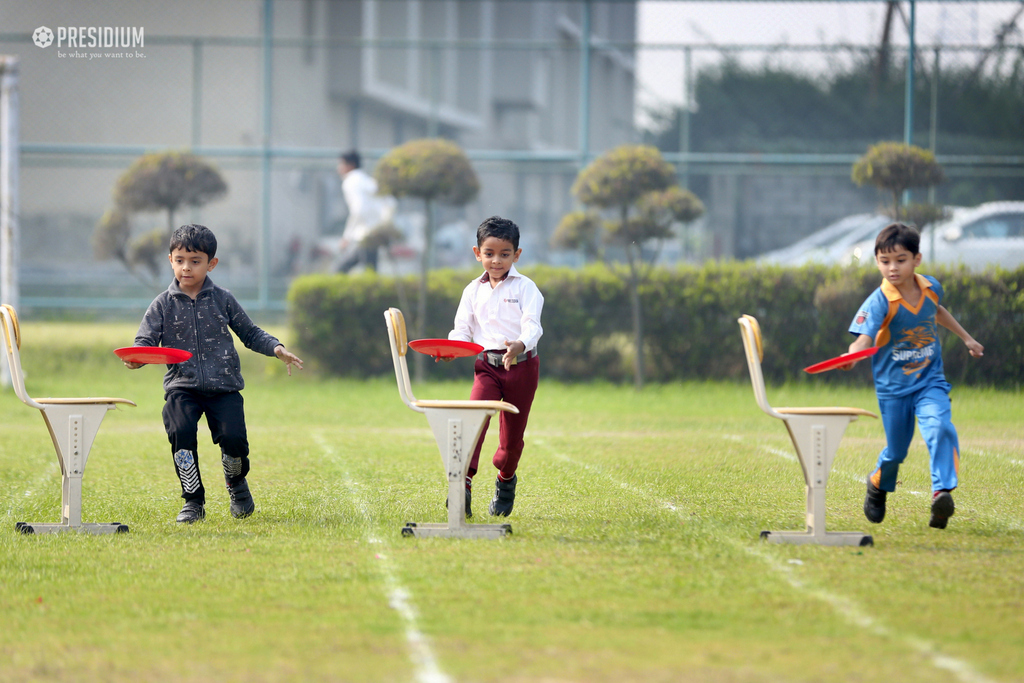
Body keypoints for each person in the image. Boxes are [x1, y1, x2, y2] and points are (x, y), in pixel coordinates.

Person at [124, 224, 304, 524]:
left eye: (195, 261)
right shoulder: (162, 305)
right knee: (181, 434)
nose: (186, 267)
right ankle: (193, 501)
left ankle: (236, 483)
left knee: (234, 442)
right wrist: (137, 358)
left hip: (225, 387)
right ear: (170, 260)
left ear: (211, 264)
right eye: (180, 260)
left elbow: (250, 333)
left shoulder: (223, 299)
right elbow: (144, 343)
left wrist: (276, 347)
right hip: (182, 387)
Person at [843, 222, 983, 529]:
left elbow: (937, 310)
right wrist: (852, 355)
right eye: (884, 261)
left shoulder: (931, 287)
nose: (892, 268)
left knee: (941, 428)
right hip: (893, 390)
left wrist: (967, 338)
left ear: (916, 259)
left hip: (929, 381)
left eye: (900, 260)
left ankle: (941, 493)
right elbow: (864, 338)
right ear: (877, 261)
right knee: (896, 452)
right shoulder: (880, 301)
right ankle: (878, 483)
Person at [446, 216, 543, 517]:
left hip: (522, 368)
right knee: (474, 420)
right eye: (489, 254)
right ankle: (463, 483)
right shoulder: (472, 291)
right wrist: (450, 349)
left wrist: (520, 345)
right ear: (477, 253)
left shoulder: (527, 288)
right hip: (486, 367)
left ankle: (506, 478)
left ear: (517, 254)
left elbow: (533, 325)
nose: (496, 260)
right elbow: (461, 331)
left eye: (504, 254)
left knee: (510, 442)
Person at [334, 150, 395, 274]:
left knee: (361, 271)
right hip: (371, 233)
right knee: (358, 269)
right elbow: (391, 202)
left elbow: (359, 209)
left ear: (350, 165)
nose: (338, 168)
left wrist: (347, 237)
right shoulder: (365, 179)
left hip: (366, 234)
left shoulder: (351, 181)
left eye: (341, 164)